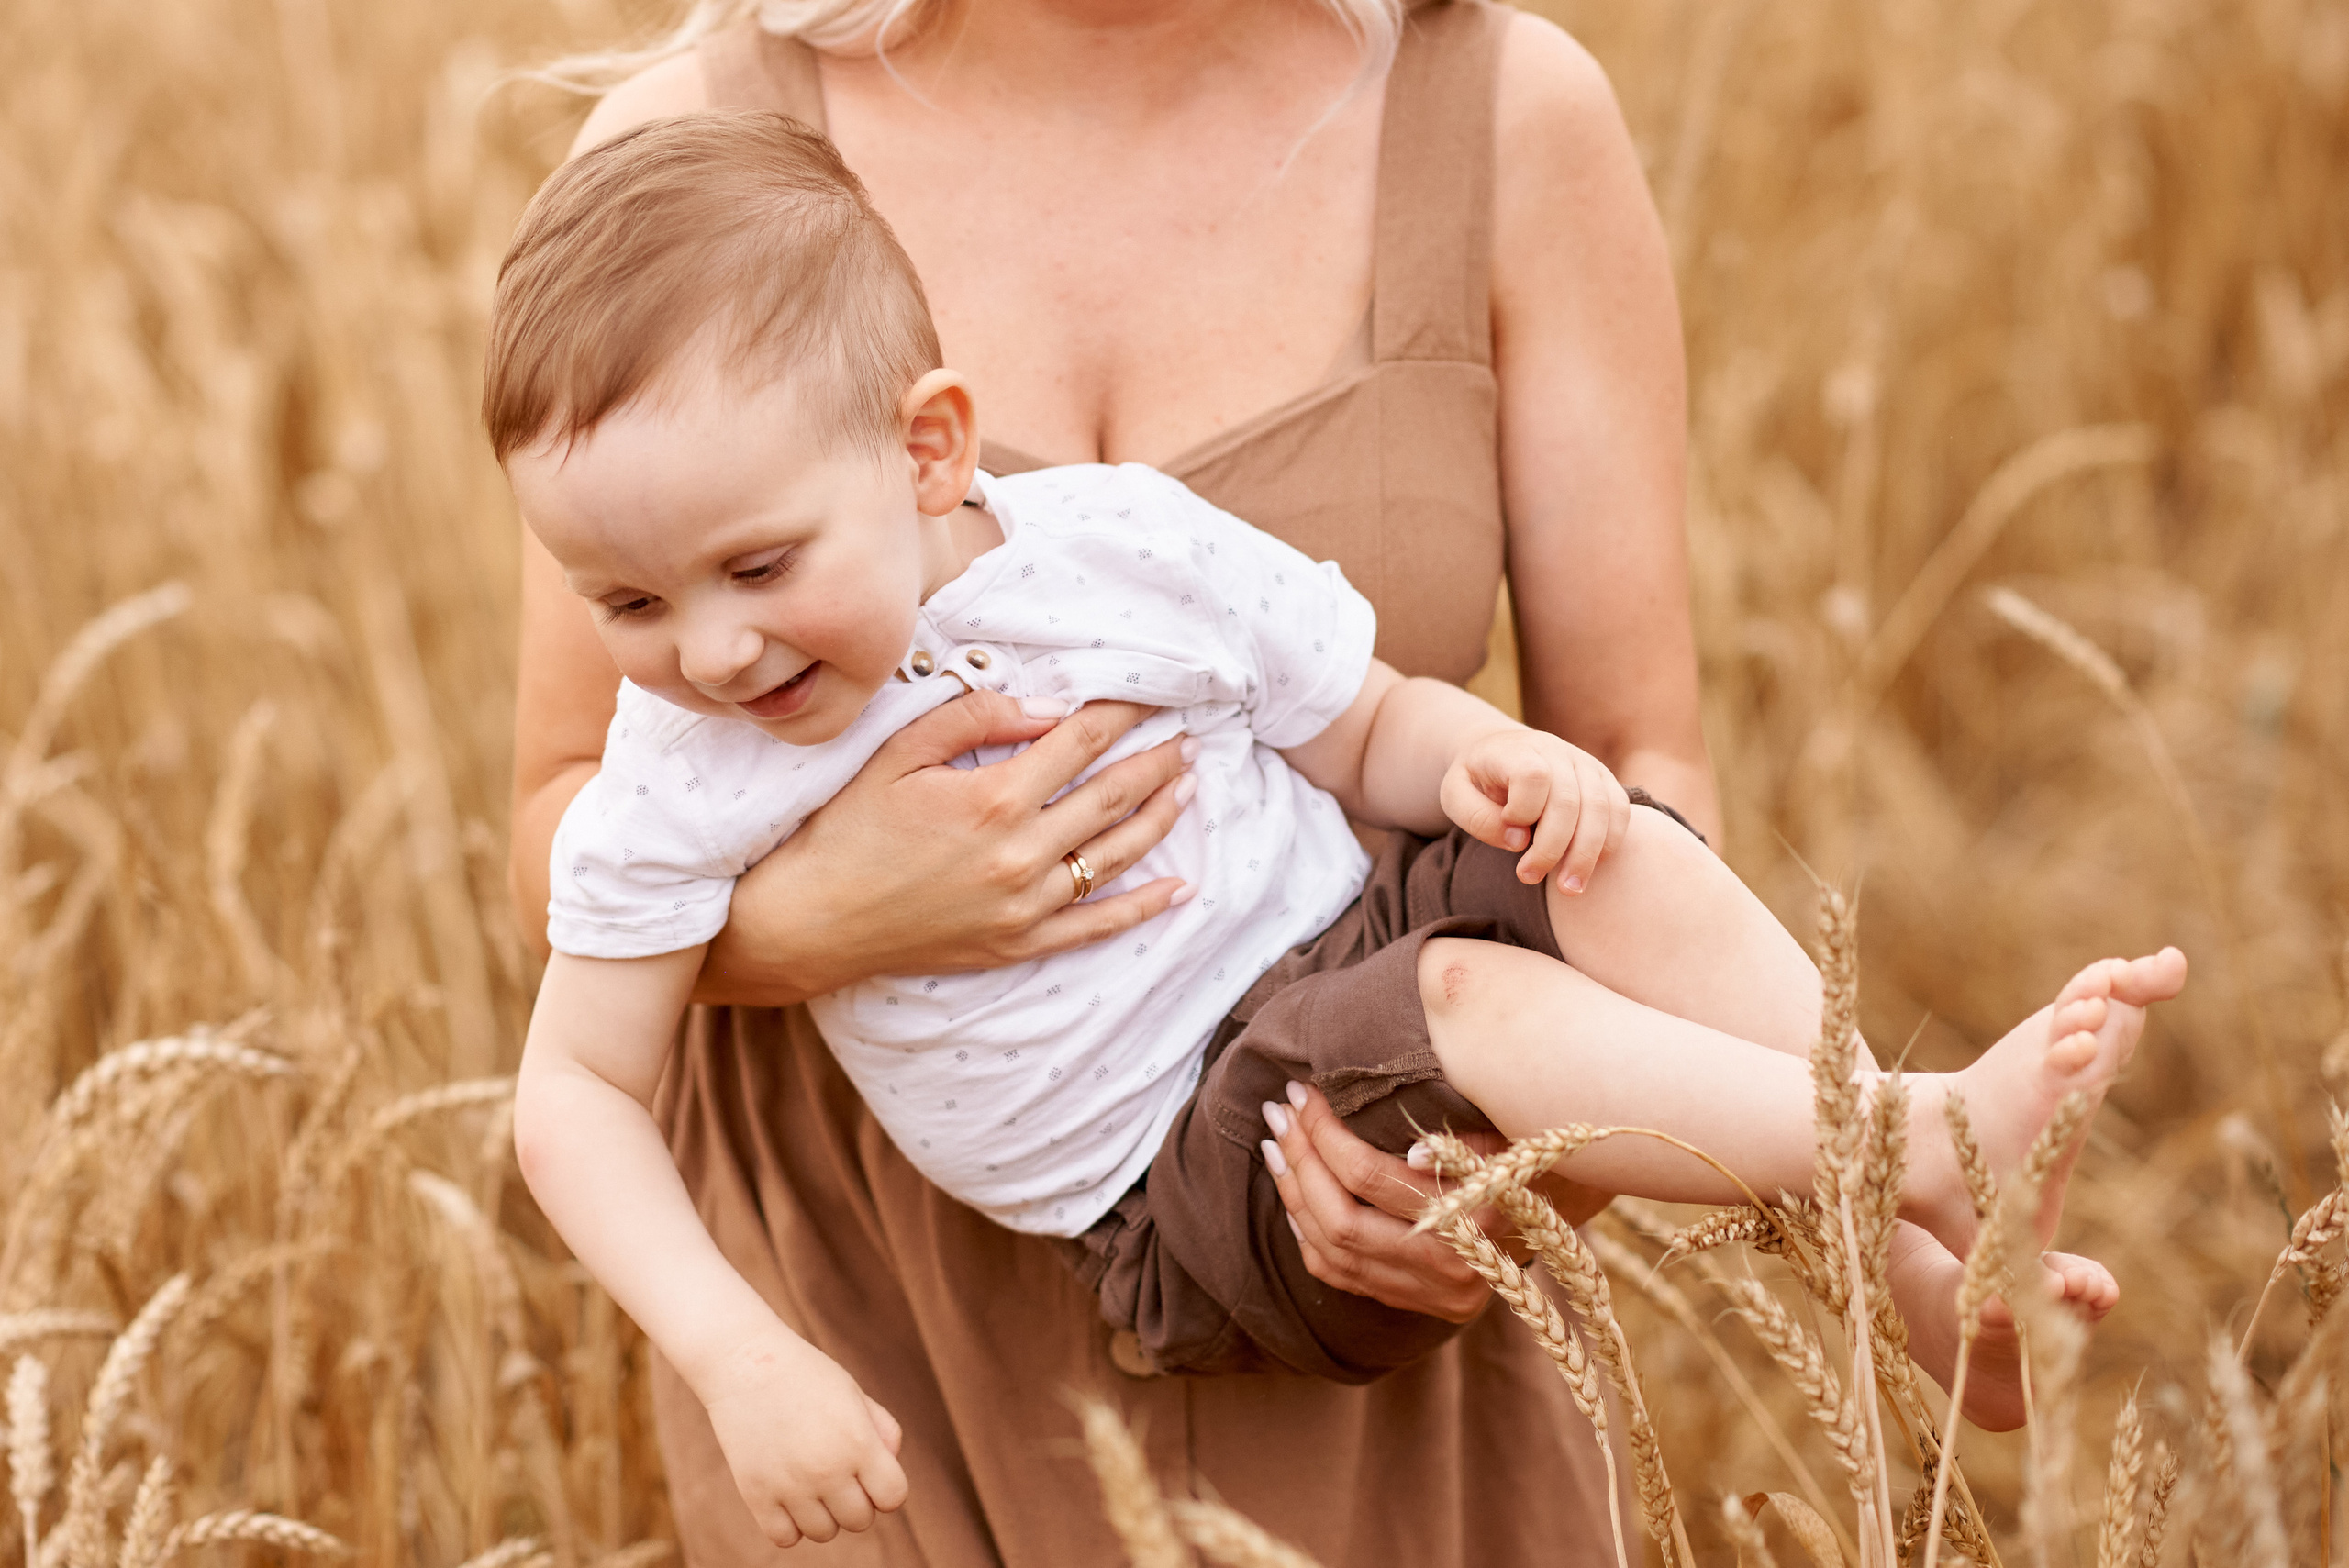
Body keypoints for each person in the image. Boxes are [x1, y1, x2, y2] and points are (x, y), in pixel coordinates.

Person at [497, 111, 2188, 1554]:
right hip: (1185, 1175)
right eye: (627, 598)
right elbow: (575, 1089)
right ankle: (1927, 1126)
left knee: (1613, 856)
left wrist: (1507, 767)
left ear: (930, 446)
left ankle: (1904, 1263)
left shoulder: (1112, 549)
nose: (709, 650)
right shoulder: (688, 766)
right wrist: (737, 1353)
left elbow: (1366, 721)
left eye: (760, 566)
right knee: (1466, 1000)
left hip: (1345, 938)